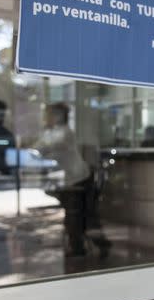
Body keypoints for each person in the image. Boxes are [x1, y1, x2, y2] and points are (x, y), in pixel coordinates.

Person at [35, 102, 111, 258]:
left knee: (78, 215)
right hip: (72, 178)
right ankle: (83, 245)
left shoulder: (64, 133)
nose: (45, 118)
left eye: (48, 114)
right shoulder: (54, 132)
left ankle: (82, 247)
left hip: (79, 178)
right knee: (77, 215)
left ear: (58, 116)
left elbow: (44, 148)